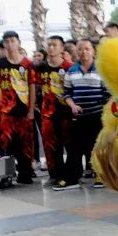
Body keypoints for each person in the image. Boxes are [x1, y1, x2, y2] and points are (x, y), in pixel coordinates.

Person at [55, 39, 108, 190]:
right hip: (78, 117)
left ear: (93, 51)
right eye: (80, 49)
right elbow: (67, 93)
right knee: (73, 148)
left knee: (97, 147)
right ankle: (71, 178)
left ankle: (100, 175)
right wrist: (72, 105)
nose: (84, 52)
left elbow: (107, 95)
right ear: (76, 52)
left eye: (87, 49)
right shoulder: (71, 71)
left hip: (97, 117)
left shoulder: (101, 70)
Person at [0, 30, 36, 184]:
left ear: (19, 43)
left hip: (23, 112)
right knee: (5, 144)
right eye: (6, 42)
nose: (9, 45)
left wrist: (31, 110)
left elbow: (32, 87)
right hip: (5, 113)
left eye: (12, 41)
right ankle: (7, 175)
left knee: (25, 143)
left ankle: (25, 173)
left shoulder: (28, 64)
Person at [32, 35, 73, 185]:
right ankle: (54, 175)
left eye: (55, 45)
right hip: (47, 114)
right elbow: (34, 87)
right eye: (49, 45)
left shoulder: (69, 67)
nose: (51, 47)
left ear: (62, 49)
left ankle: (70, 175)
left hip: (66, 113)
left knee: (69, 145)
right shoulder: (41, 67)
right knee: (50, 146)